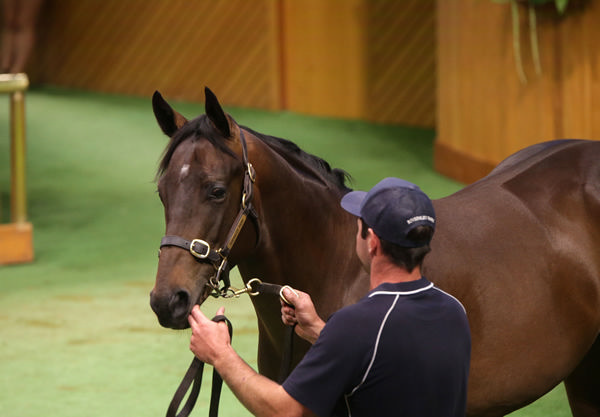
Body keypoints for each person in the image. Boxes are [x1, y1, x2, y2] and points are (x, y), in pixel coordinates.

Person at [189, 177, 471, 417]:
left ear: (372, 242)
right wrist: (317, 330)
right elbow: (390, 367)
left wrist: (220, 353)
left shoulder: (356, 324)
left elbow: (285, 410)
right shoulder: (454, 312)